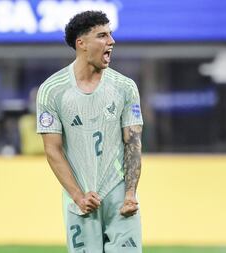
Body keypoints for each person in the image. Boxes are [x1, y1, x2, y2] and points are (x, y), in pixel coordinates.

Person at [36, 11, 143, 253]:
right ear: (81, 44)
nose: (111, 41)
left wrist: (130, 193)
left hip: (119, 198)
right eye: (102, 35)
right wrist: (78, 196)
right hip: (81, 200)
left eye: (111, 34)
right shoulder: (52, 90)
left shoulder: (125, 87)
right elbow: (52, 149)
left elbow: (133, 143)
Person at [19, 87, 45, 155]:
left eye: (38, 100)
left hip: (45, 157)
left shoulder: (51, 119)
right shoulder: (24, 121)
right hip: (29, 158)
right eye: (34, 100)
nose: (36, 103)